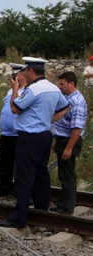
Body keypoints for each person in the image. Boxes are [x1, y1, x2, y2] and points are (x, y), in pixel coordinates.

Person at [0, 57, 70, 228]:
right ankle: (42, 210)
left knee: (24, 176)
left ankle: (19, 217)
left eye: (24, 72)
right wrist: (48, 120)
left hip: (29, 137)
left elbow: (15, 108)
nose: (23, 75)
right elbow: (65, 107)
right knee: (41, 174)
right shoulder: (52, 88)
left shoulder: (34, 90)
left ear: (30, 71)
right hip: (45, 135)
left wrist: (15, 89)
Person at [50, 71, 87, 215]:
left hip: (69, 140)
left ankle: (67, 207)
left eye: (62, 84)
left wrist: (69, 147)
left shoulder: (76, 102)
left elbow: (77, 128)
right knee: (63, 174)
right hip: (63, 139)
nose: (60, 87)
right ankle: (63, 203)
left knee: (67, 175)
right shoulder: (69, 99)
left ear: (71, 83)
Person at [0, 63, 27, 199]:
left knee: (19, 165)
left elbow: (16, 107)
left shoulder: (27, 91)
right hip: (6, 133)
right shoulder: (10, 90)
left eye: (15, 76)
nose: (12, 78)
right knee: (4, 163)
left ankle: (18, 190)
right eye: (12, 76)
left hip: (18, 134)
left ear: (23, 76)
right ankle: (3, 188)